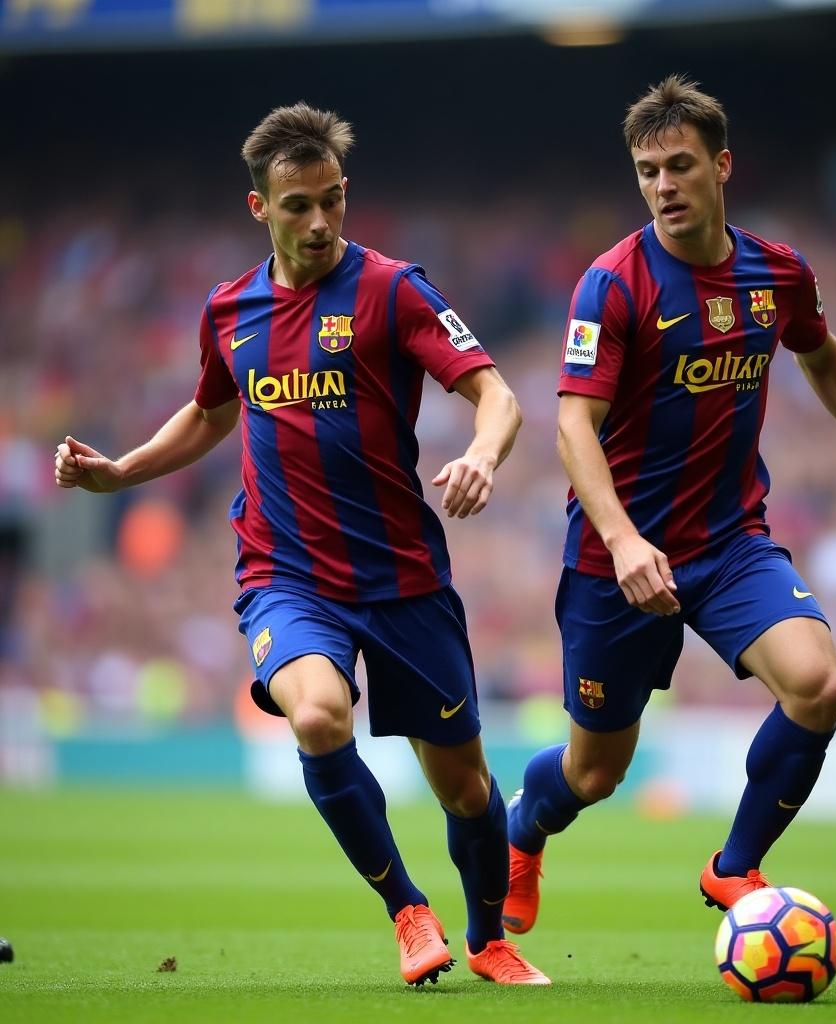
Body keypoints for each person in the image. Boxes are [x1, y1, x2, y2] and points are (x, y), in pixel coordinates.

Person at [54, 102, 548, 987]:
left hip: (401, 575)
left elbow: (498, 396)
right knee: (319, 714)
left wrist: (481, 453)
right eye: (297, 205)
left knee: (465, 788)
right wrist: (122, 471)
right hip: (285, 574)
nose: (319, 221)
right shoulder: (229, 309)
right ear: (260, 208)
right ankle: (408, 913)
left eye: (332, 200)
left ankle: (488, 939)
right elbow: (211, 411)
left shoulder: (395, 289)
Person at [502, 75, 836, 934]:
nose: (663, 185)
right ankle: (520, 831)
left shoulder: (775, 273)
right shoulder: (612, 284)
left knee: (819, 687)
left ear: (721, 165)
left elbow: (823, 356)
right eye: (646, 171)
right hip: (613, 558)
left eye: (679, 165)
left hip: (731, 541)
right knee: (594, 775)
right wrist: (624, 541)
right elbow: (572, 427)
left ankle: (733, 869)